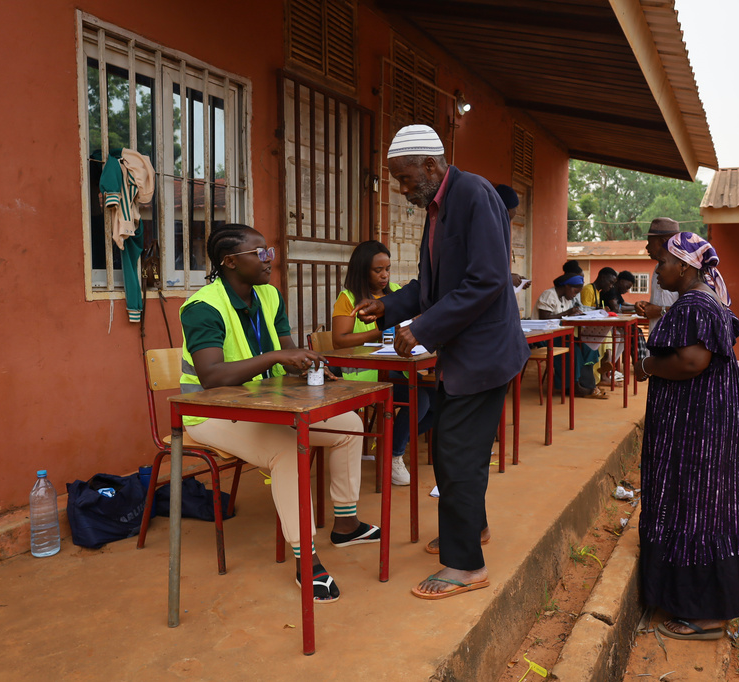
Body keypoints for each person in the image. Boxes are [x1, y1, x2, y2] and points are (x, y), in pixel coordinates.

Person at [353, 124, 529, 599]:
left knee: (456, 454)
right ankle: (472, 530)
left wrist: (423, 329)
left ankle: (466, 565)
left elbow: (487, 281)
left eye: (407, 180)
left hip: (484, 356)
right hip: (464, 356)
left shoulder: (473, 194)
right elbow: (431, 289)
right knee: (458, 453)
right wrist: (389, 307)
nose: (404, 191)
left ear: (431, 166)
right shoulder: (440, 206)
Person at [179, 223, 380, 604]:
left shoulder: (268, 296)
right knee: (288, 447)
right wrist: (276, 356)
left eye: (268, 250)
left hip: (265, 407)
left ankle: (347, 523)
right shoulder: (203, 307)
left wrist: (306, 364)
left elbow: (287, 354)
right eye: (259, 253)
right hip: (211, 414)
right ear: (230, 262)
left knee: (348, 425)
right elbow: (211, 376)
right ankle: (307, 560)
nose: (269, 258)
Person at [633, 231, 739, 640]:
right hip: (698, 422)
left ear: (684, 266)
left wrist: (648, 367)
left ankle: (707, 615)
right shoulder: (704, 300)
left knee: (700, 504)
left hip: (698, 427)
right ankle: (690, 601)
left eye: (662, 263)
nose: (657, 270)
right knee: (697, 504)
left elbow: (690, 362)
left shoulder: (697, 304)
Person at [331, 240, 433, 487]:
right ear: (362, 269)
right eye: (378, 270)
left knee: (435, 397)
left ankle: (390, 444)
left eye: (387, 268)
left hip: (395, 369)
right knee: (418, 398)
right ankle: (394, 455)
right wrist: (380, 331)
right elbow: (339, 341)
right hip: (361, 374)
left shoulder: (397, 293)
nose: (385, 275)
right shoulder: (349, 298)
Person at [534, 273, 606, 398]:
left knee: (589, 347)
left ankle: (588, 384)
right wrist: (567, 313)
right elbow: (544, 318)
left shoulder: (568, 299)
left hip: (561, 335)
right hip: (545, 336)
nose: (574, 295)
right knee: (574, 350)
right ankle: (571, 385)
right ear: (566, 286)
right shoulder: (549, 295)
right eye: (574, 291)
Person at [634, 217, 680, 321]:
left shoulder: (682, 270)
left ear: (663, 242)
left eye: (650, 242)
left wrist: (660, 310)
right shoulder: (657, 268)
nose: (647, 248)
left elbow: (691, 311)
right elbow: (661, 304)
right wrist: (646, 307)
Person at [495, 184, 530, 290]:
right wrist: (509, 279)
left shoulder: (499, 227)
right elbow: (484, 271)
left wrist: (514, 279)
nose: (516, 212)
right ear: (508, 209)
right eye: (515, 208)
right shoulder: (492, 230)